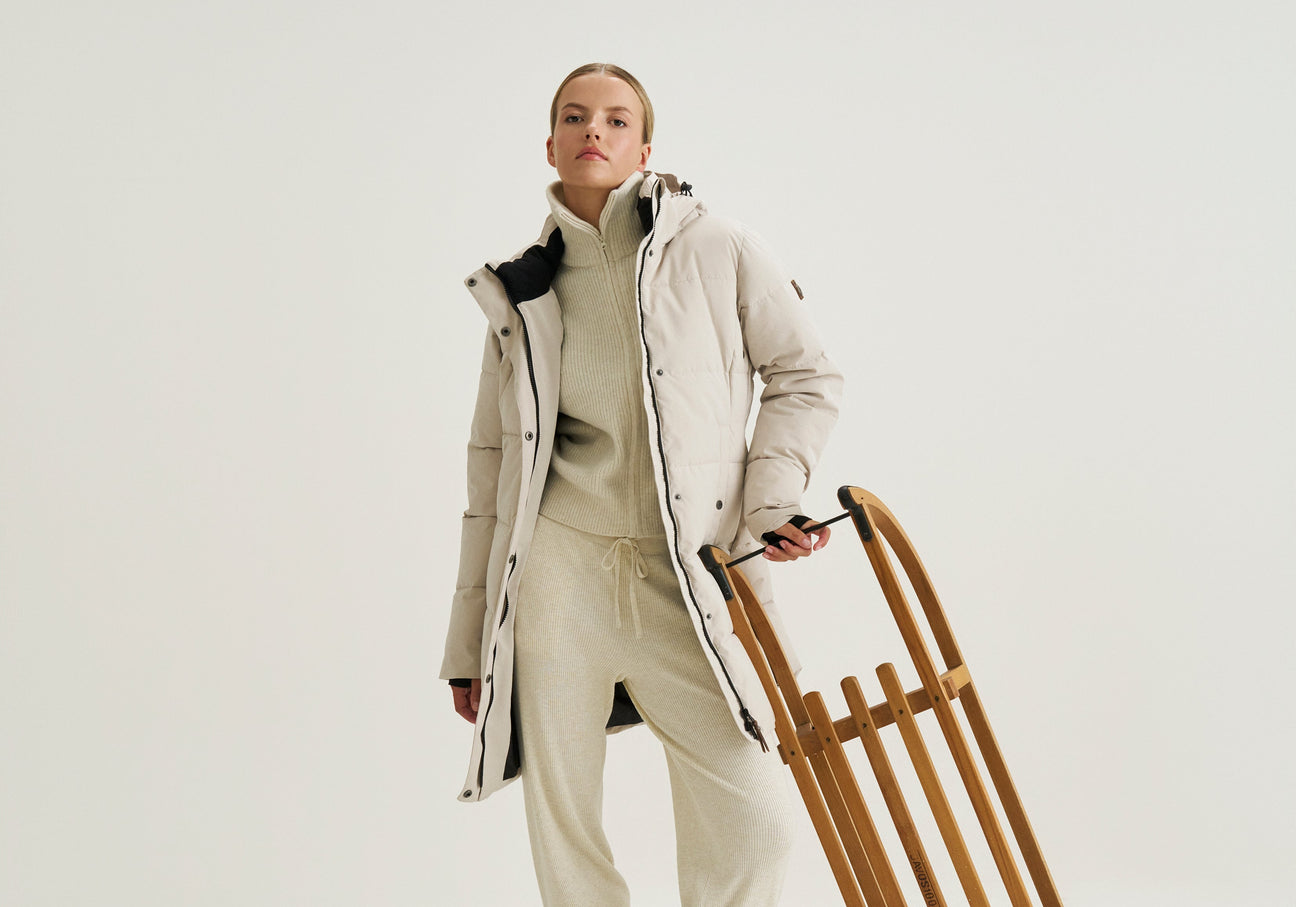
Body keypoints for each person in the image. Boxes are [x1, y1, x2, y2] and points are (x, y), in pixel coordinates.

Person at [440, 62, 843, 906]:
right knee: (566, 834)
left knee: (758, 822)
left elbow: (804, 373)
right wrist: (470, 643)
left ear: (645, 149)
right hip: (559, 577)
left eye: (617, 120)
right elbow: (491, 468)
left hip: (684, 574)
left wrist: (773, 501)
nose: (594, 130)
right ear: (550, 144)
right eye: (575, 116)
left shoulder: (717, 247)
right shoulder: (520, 289)